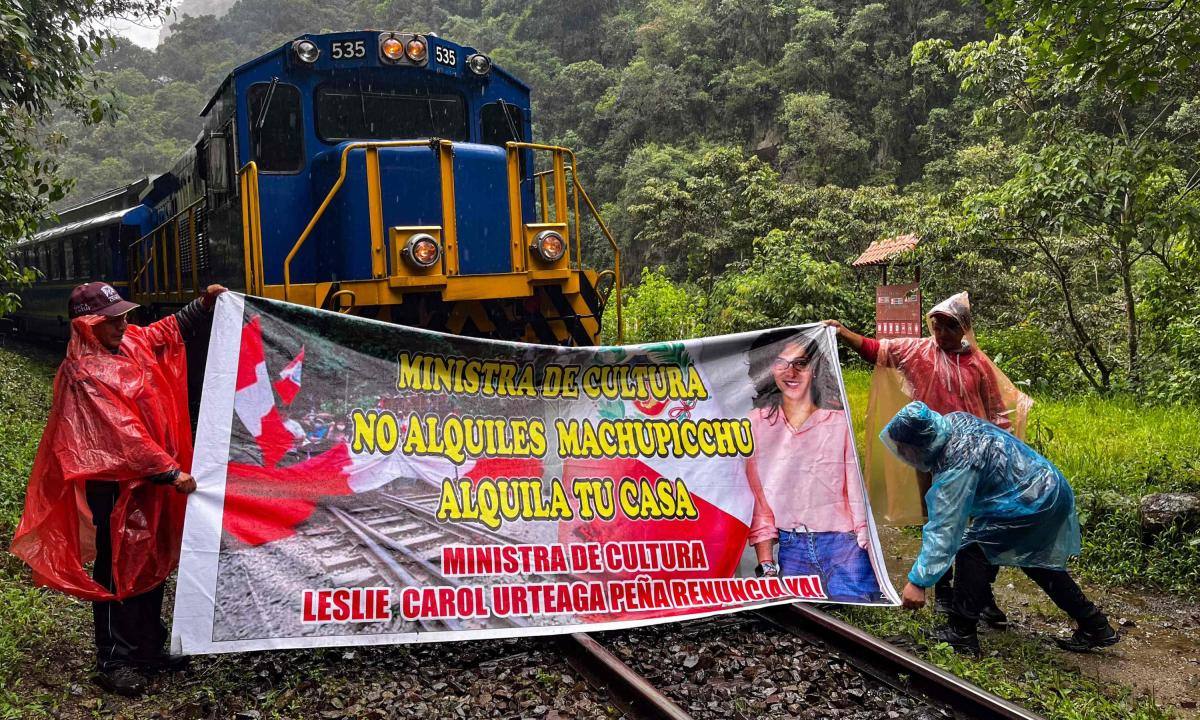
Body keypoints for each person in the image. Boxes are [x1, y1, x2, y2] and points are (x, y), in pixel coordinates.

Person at [11, 281, 226, 697]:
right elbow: (120, 434)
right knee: (116, 566)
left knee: (151, 559)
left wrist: (203, 304)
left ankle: (147, 647)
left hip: (149, 480)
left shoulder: (131, 342)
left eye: (124, 316)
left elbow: (165, 331)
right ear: (88, 325)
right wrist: (169, 471)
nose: (122, 323)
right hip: (115, 486)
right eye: (112, 320)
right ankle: (114, 659)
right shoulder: (82, 373)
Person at [825, 292, 1030, 622]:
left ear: (965, 328)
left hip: (974, 456)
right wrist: (842, 332)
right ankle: (944, 591)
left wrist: (1002, 450)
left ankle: (980, 594)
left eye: (950, 327)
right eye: (937, 326)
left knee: (978, 526)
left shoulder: (978, 363)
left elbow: (996, 411)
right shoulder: (918, 351)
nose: (942, 334)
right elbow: (879, 351)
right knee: (936, 519)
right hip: (931, 453)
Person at [882, 402, 1119, 656]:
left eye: (904, 449)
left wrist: (918, 581)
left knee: (972, 549)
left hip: (1031, 501)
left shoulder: (957, 464)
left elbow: (945, 529)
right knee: (1035, 561)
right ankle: (1095, 625)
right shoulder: (951, 424)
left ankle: (961, 633)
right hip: (1048, 487)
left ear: (919, 443)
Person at [744, 329, 881, 602]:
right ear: (770, 370)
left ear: (815, 369)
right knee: (803, 622)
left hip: (844, 543)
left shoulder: (838, 421)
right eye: (781, 363)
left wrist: (865, 541)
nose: (790, 372)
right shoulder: (755, 424)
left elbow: (855, 486)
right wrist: (767, 564)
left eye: (800, 364)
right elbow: (757, 500)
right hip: (792, 547)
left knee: (861, 613)